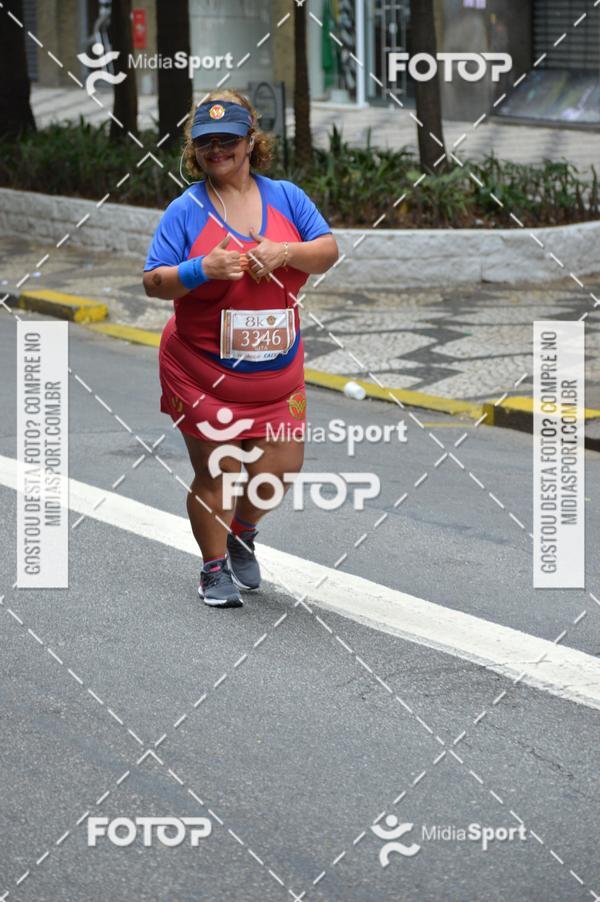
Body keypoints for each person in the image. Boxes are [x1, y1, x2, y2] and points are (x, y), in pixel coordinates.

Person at [142, 88, 339, 609]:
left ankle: (241, 534)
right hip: (201, 372)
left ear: (251, 142)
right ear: (196, 150)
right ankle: (212, 570)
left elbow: (328, 251)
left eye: (229, 140)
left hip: (276, 377)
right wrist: (200, 268)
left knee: (279, 468)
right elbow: (154, 282)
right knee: (222, 470)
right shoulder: (186, 210)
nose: (218, 150)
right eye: (207, 143)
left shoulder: (287, 198)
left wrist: (286, 250)